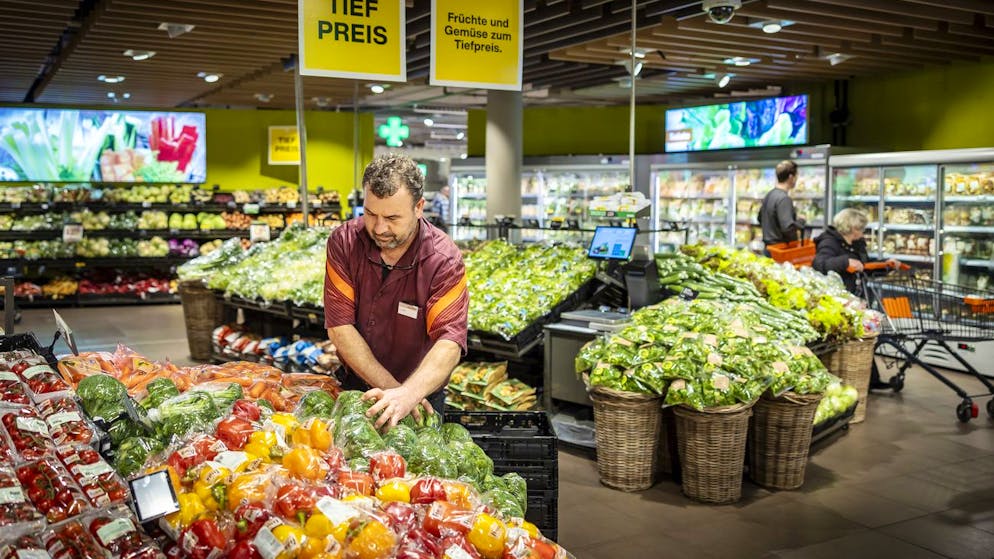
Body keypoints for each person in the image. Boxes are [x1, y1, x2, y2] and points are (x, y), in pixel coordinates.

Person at [324, 155, 469, 429]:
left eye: (392, 217)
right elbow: (340, 327)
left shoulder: (444, 260)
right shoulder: (344, 243)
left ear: (419, 207)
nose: (379, 228)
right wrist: (394, 393)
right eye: (370, 214)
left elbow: (449, 341)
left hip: (421, 395)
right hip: (356, 388)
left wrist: (408, 394)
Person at [812, 208, 899, 296]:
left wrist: (886, 265)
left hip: (856, 295)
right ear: (853, 228)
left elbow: (864, 267)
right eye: (862, 228)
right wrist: (845, 262)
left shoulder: (857, 243)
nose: (863, 231)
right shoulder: (829, 241)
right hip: (836, 295)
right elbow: (819, 264)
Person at [758, 160, 806, 252]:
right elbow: (787, 228)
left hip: (768, 248)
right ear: (791, 177)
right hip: (780, 250)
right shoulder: (784, 199)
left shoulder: (769, 195)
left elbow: (760, 218)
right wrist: (801, 221)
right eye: (796, 176)